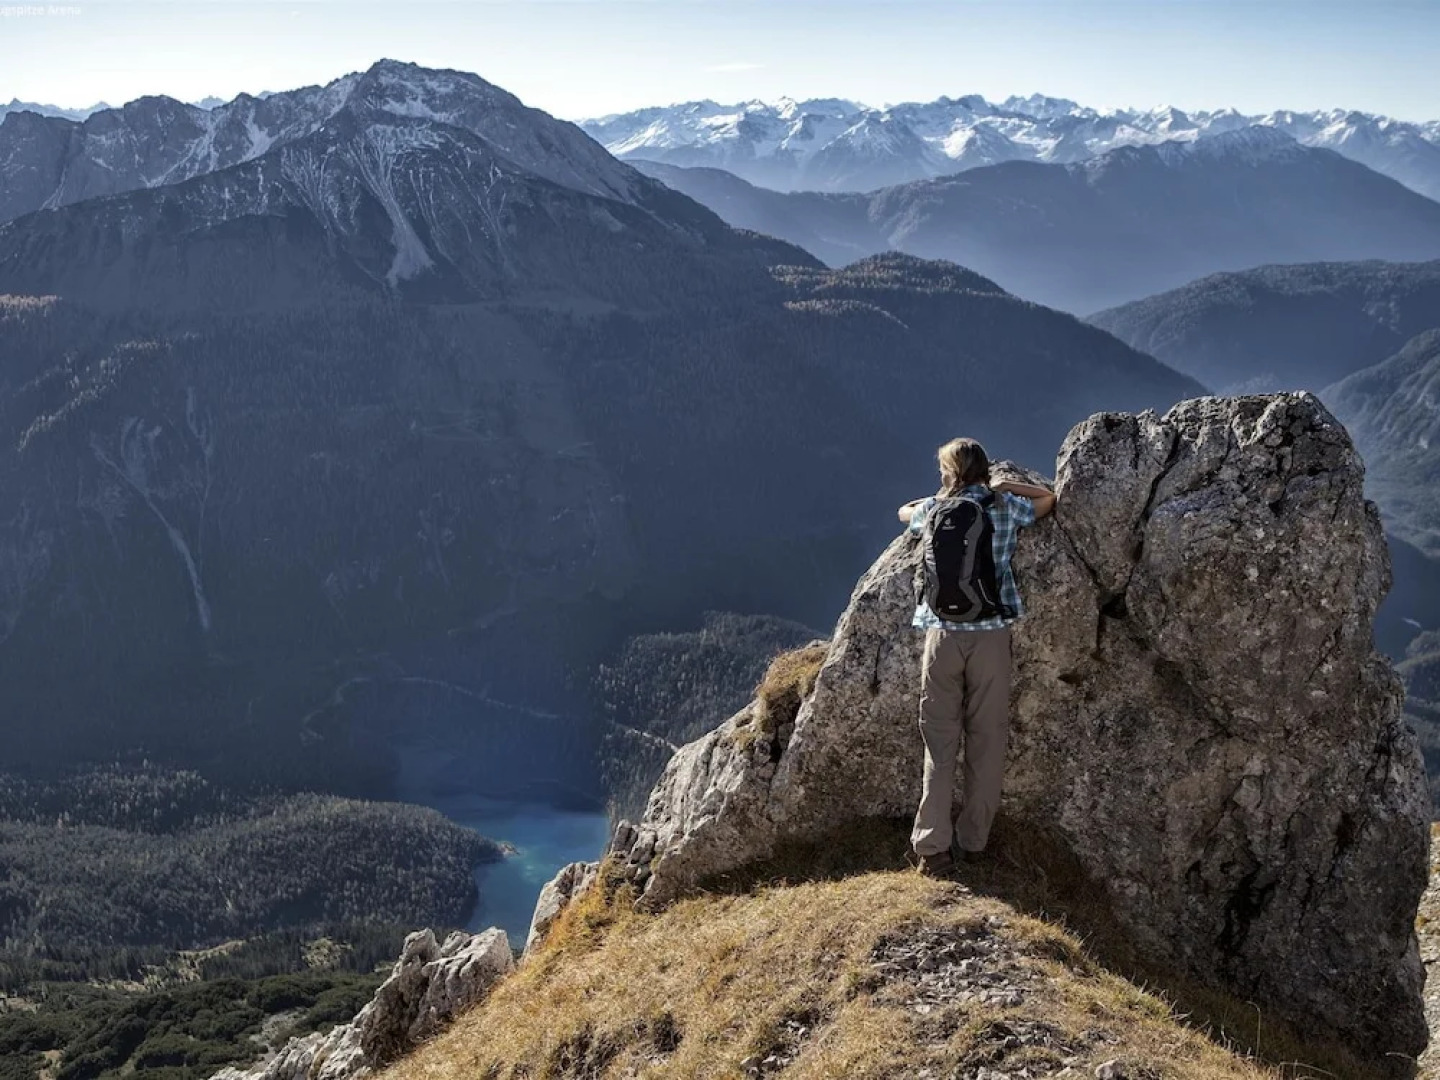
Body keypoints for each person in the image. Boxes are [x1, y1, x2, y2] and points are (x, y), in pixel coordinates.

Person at [897, 437, 1055, 877]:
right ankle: (974, 841)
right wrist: (1008, 486)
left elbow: (903, 511)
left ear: (949, 472)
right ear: (985, 470)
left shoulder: (932, 511)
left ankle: (932, 848)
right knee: (986, 741)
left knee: (939, 744)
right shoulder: (1004, 508)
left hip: (941, 637)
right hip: (990, 638)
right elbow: (1049, 499)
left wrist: (940, 495)